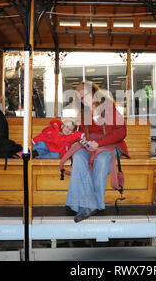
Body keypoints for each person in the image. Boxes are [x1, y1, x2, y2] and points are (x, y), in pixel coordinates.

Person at [66, 81, 129, 223]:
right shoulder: (84, 114)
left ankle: (88, 205)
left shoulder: (109, 107)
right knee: (77, 156)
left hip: (112, 146)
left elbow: (122, 132)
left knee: (102, 159)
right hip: (91, 147)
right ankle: (91, 205)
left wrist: (99, 143)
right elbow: (83, 133)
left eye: (86, 95)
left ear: (94, 92)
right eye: (81, 98)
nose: (85, 99)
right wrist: (83, 140)